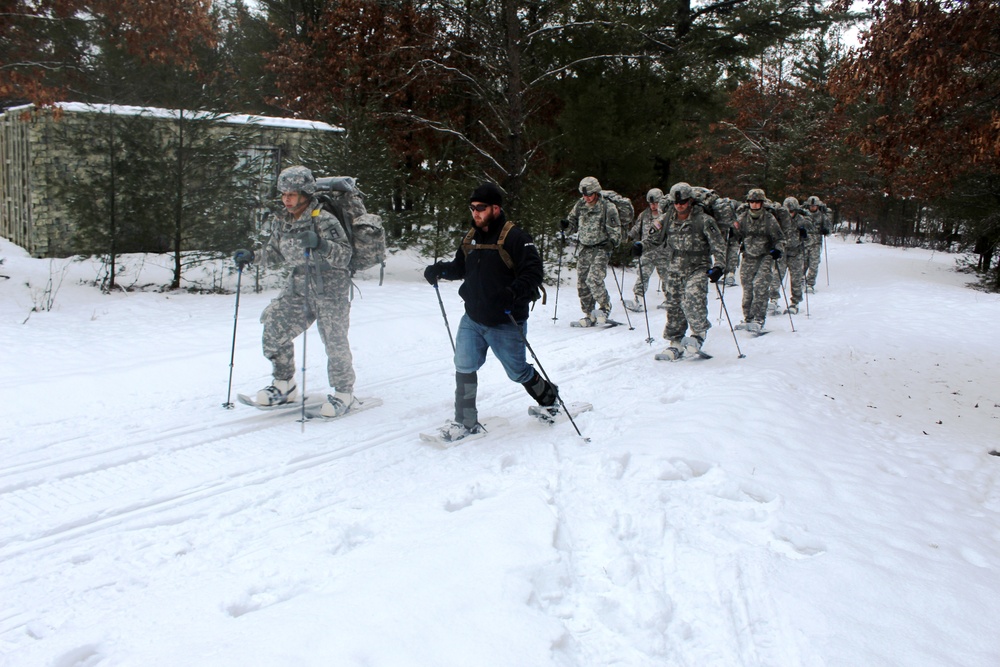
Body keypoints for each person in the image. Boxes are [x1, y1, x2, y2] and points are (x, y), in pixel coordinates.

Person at [423, 183, 555, 443]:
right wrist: (440, 270)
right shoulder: (470, 237)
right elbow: (461, 268)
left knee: (517, 371)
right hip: (473, 317)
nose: (475, 213)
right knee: (464, 364)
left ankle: (549, 397)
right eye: (472, 208)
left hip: (506, 319)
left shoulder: (516, 237)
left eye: (480, 208)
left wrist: (513, 291)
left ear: (496, 208)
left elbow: (534, 273)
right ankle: (465, 421)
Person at [253, 166, 359, 417]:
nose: (286, 199)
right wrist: (252, 256)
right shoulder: (283, 220)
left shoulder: (323, 218)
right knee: (273, 326)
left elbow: (345, 255)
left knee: (334, 342)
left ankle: (344, 392)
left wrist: (321, 244)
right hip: (298, 286)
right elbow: (275, 252)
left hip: (329, 287)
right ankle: (284, 384)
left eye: (292, 194)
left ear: (305, 194)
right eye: (284, 194)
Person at [652, 182, 726, 360]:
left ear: (690, 201)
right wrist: (640, 245)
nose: (680, 205)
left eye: (683, 202)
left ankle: (698, 335)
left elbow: (719, 245)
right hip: (675, 266)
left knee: (693, 298)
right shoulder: (667, 218)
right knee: (674, 305)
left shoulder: (704, 220)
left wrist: (719, 266)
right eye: (676, 202)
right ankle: (675, 342)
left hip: (698, 267)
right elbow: (653, 236)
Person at [561, 176, 620, 326]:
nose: (586, 197)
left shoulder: (607, 207)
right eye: (583, 194)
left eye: (589, 194)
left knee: (594, 279)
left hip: (600, 247)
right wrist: (565, 226)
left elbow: (615, 230)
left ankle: (604, 307)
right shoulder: (580, 205)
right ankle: (589, 313)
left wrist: (612, 242)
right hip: (584, 248)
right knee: (582, 282)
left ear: (596, 192)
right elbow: (572, 223)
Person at [736, 188, 785, 335]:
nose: (755, 205)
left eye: (758, 202)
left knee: (760, 285)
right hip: (748, 256)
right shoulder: (743, 218)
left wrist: (777, 250)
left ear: (762, 203)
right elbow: (736, 235)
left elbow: (779, 238)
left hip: (765, 255)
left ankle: (759, 318)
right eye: (752, 202)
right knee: (747, 287)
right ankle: (748, 317)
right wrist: (732, 234)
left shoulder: (769, 219)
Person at [625, 188, 670, 312]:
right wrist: (628, 236)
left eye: (656, 203)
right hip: (647, 251)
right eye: (651, 203)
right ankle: (638, 299)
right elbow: (637, 228)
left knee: (666, 276)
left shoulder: (667, 216)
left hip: (663, 252)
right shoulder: (644, 215)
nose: (653, 206)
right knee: (643, 274)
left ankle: (671, 299)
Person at [772, 196, 808, 314]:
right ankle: (773, 299)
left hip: (796, 252)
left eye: (792, 211)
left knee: (796, 278)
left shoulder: (801, 220)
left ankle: (795, 302)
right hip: (782, 251)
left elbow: (810, 235)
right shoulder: (779, 219)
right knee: (777, 275)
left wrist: (804, 233)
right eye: (787, 211)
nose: (789, 214)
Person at [803, 195, 830, 292]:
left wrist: (826, 231)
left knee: (814, 264)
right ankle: (801, 280)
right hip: (804, 243)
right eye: (811, 206)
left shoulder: (822, 216)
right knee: (803, 263)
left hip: (816, 243)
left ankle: (810, 283)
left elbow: (828, 228)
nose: (812, 207)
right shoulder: (804, 215)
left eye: (814, 206)